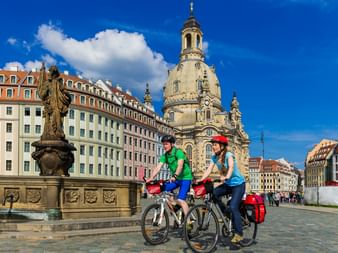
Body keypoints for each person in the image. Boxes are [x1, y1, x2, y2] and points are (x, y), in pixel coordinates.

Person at [197, 135, 245, 244]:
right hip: (228, 184)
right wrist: (201, 180)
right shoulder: (214, 157)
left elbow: (231, 167)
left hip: (238, 184)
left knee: (233, 206)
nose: (213, 147)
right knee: (214, 193)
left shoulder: (229, 155)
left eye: (215, 145)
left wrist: (227, 176)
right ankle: (225, 213)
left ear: (222, 146)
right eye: (212, 145)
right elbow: (208, 170)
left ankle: (239, 233)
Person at [147, 135, 193, 216]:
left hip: (185, 178)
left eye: (166, 144)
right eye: (163, 144)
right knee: (163, 189)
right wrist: (151, 178)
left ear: (172, 144)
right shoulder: (165, 156)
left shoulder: (178, 152)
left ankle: (188, 221)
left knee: (181, 200)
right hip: (176, 179)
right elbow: (158, 167)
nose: (165, 146)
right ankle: (175, 209)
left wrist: (175, 175)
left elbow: (180, 165)